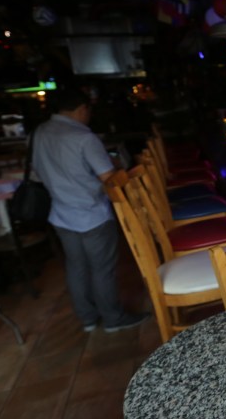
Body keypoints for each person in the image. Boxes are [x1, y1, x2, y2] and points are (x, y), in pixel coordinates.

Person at [32, 88, 148, 334]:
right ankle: (113, 319)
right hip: (91, 213)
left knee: (76, 266)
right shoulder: (83, 137)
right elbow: (109, 178)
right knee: (102, 269)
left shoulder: (40, 132)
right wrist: (124, 169)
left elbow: (38, 172)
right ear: (82, 109)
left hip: (61, 214)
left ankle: (87, 318)